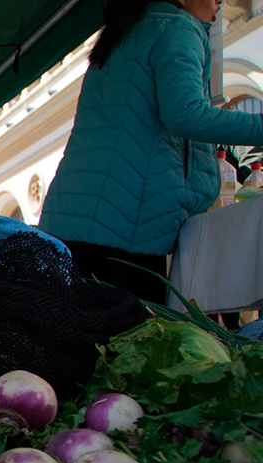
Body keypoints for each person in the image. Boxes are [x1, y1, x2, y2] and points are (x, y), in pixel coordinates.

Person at [38, 0, 263, 304]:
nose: (219, 0)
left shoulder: (126, 31)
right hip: (126, 230)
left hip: (73, 222)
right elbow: (184, 113)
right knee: (129, 341)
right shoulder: (177, 28)